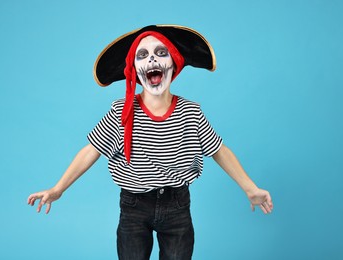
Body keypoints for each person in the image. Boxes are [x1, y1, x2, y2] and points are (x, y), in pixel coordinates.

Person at [28, 25, 273, 260]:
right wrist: (58, 188)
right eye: (143, 55)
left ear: (174, 63)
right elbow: (92, 150)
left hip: (177, 205)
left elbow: (219, 151)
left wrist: (250, 188)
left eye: (161, 53)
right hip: (134, 206)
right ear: (133, 68)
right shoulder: (120, 112)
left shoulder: (190, 112)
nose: (152, 60)